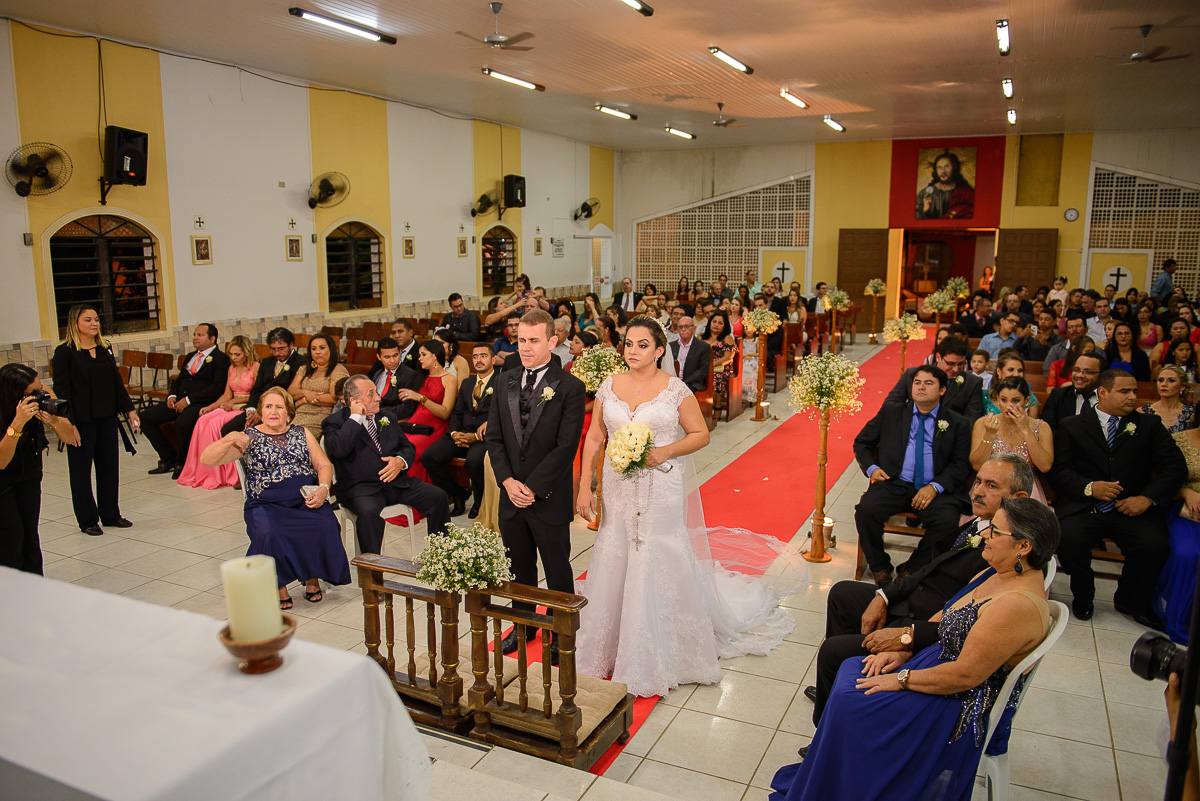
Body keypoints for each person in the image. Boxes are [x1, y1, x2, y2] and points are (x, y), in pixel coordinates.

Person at [774, 498, 1056, 801]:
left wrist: (900, 679)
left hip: (957, 704)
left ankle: (844, 788)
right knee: (850, 670)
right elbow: (947, 613)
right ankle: (834, 781)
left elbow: (966, 675)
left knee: (850, 698)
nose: (985, 535)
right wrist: (904, 651)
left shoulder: (1018, 604)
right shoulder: (997, 572)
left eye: (996, 532)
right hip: (936, 666)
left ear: (1023, 546)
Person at [575, 315, 793, 696]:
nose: (633, 351)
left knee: (652, 555)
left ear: (660, 350)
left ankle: (652, 652)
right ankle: (606, 647)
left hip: (660, 486)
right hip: (618, 487)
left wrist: (664, 451)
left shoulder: (675, 390)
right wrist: (585, 486)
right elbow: (595, 437)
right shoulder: (609, 386)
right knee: (614, 552)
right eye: (628, 344)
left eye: (643, 345)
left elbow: (700, 434)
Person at [804, 455, 1033, 727]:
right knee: (842, 594)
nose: (978, 491)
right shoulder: (981, 524)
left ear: (1017, 497)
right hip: (916, 602)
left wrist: (906, 640)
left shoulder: (1003, 550)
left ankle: (828, 729)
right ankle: (836, 691)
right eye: (978, 482)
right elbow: (929, 570)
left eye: (991, 486)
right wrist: (884, 595)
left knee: (832, 651)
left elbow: (963, 621)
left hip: (925, 624)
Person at [485, 310, 586, 664]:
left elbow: (565, 447)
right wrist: (508, 482)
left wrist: (532, 486)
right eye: (520, 340)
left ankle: (562, 632)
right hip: (512, 494)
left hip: (548, 496)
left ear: (552, 342)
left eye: (533, 341)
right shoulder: (504, 380)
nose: (524, 348)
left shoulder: (571, 387)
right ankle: (525, 625)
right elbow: (495, 439)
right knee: (518, 566)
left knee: (557, 566)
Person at [1050, 369, 1187, 624]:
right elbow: (1059, 471)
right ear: (1103, 392)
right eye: (1125, 391)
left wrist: (1146, 499)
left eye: (1134, 391)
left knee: (1154, 545)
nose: (1132, 397)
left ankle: (1129, 600)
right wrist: (1090, 487)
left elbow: (1175, 468)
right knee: (1068, 539)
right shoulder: (1072, 426)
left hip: (1132, 507)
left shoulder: (1149, 425)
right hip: (1086, 506)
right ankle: (1083, 595)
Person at [201, 387, 349, 609]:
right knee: (271, 532)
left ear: (288, 412)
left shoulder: (302, 433)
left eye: (279, 407)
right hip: (265, 503)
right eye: (268, 406)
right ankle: (278, 585)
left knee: (325, 523)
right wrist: (230, 437)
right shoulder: (249, 437)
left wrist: (323, 488)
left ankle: (312, 578)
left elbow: (323, 464)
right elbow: (207, 459)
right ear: (261, 411)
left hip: (303, 498)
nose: (273, 411)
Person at [854, 366, 973, 583]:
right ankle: (879, 566)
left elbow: (961, 464)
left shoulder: (958, 423)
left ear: (942, 390)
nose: (921, 387)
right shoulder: (892, 412)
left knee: (947, 521)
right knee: (866, 510)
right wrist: (872, 468)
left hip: (935, 488)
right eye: (917, 382)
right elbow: (862, 442)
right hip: (895, 482)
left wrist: (935, 486)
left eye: (929, 383)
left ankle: (912, 568)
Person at [322, 375, 450, 554]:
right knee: (368, 515)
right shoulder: (334, 422)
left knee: (438, 497)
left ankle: (442, 555)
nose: (378, 397)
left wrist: (400, 461)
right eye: (371, 394)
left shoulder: (387, 417)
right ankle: (372, 573)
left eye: (376, 392)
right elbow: (339, 449)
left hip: (396, 483)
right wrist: (356, 417)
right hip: (361, 488)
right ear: (354, 401)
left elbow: (407, 447)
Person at [51, 304, 138, 535]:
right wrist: (69, 424)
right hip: (80, 420)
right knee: (80, 471)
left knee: (109, 467)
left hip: (107, 417)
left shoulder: (104, 348)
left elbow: (116, 384)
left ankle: (110, 515)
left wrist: (129, 410)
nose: (94, 324)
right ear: (75, 323)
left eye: (96, 319)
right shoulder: (65, 352)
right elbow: (62, 391)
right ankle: (88, 520)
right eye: (88, 320)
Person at [0, 364, 74, 574]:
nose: (40, 394)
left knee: (30, 534)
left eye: (40, 388)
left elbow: (70, 437)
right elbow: (1, 462)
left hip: (29, 473)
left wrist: (54, 420)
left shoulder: (41, 395)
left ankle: (34, 588)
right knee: (11, 535)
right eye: (32, 393)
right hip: (2, 479)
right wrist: (17, 423)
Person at [142, 323, 231, 480]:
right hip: (179, 401)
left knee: (182, 423)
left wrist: (189, 400)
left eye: (200, 335)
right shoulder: (191, 356)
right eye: (195, 334)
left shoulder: (221, 359)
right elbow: (179, 379)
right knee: (145, 417)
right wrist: (172, 396)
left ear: (212, 339)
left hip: (200, 402)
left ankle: (181, 463)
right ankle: (168, 457)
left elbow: (217, 388)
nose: (195, 338)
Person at [421, 343, 495, 519]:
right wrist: (454, 432)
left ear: (493, 359)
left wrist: (476, 436)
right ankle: (457, 493)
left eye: (483, 356)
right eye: (475, 356)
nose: (478, 360)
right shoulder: (468, 383)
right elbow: (457, 411)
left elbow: (500, 415)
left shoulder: (501, 382)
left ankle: (479, 502)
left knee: (473, 461)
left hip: (483, 436)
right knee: (429, 456)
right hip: (461, 433)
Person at [177, 336, 259, 490]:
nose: (233, 358)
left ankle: (230, 473)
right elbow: (227, 395)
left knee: (215, 423)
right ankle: (206, 470)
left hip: (244, 407)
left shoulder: (256, 367)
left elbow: (257, 394)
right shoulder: (232, 368)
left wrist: (234, 402)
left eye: (237, 354)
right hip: (230, 404)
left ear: (247, 353)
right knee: (203, 420)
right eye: (231, 354)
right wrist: (211, 407)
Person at [1154, 416, 1200, 643]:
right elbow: (1162, 479)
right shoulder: (1179, 441)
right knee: (1187, 554)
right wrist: (1186, 493)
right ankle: (1179, 618)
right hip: (1183, 510)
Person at [972, 377, 1053, 498]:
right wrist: (989, 434)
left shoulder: (1042, 427)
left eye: (1015, 401)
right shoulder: (984, 423)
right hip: (989, 488)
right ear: (998, 399)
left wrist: (1026, 431)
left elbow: (1045, 466)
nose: (1009, 406)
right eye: (1004, 400)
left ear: (1027, 401)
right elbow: (977, 466)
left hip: (1025, 490)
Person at [220, 327, 306, 436]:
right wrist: (251, 410)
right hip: (259, 407)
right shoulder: (267, 362)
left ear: (291, 345)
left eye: (281, 348)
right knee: (229, 430)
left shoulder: (301, 363)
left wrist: (262, 413)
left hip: (281, 410)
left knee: (255, 434)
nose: (277, 353)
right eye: (273, 349)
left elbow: (290, 394)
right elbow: (257, 389)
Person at [396, 339, 457, 484]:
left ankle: (419, 493)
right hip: (414, 423)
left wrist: (421, 398)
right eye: (419, 355)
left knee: (411, 448)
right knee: (395, 444)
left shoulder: (450, 379)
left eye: (423, 354)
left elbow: (445, 412)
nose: (420, 359)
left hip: (434, 427)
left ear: (435, 355)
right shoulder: (421, 377)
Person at [885, 336, 984, 423]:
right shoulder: (913, 375)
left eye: (961, 364)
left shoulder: (972, 383)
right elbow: (891, 404)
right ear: (938, 357)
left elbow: (971, 420)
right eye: (950, 363)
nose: (956, 369)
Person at [288, 332, 348, 439]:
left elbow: (334, 398)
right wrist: (306, 393)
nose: (317, 352)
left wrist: (303, 400)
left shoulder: (338, 370)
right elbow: (291, 391)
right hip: (299, 415)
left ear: (331, 349)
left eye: (322, 348)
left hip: (322, 417)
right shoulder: (304, 369)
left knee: (297, 440)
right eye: (314, 349)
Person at [1040, 350, 1105, 428]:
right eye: (1076, 370)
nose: (1079, 375)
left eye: (1087, 372)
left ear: (1101, 375)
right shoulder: (1058, 395)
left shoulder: (1108, 398)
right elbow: (1046, 428)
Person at [367, 336, 419, 419]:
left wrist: (379, 412)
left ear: (400, 352)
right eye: (387, 357)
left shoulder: (409, 375)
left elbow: (407, 408)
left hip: (393, 420)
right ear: (379, 357)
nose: (392, 360)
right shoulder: (378, 374)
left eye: (395, 355)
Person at [984, 352, 1041, 417]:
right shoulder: (986, 396)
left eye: (1020, 371)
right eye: (1011, 370)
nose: (1016, 374)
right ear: (999, 371)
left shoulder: (1031, 399)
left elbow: (1034, 426)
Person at [1142, 365, 1195, 434]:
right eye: (1160, 380)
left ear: (1182, 386)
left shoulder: (1192, 414)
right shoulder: (1143, 412)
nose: (1164, 384)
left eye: (1171, 380)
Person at [669, 316, 712, 394]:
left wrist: (683, 382)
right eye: (681, 327)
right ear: (678, 329)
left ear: (694, 328)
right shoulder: (671, 346)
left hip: (692, 383)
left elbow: (702, 371)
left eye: (687, 326)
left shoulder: (703, 347)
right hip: (672, 382)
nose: (683, 329)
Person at [703, 310, 737, 408]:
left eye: (720, 323)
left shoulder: (727, 338)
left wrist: (710, 366)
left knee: (715, 378)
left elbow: (728, 357)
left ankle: (717, 406)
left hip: (721, 367)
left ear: (724, 326)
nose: (716, 325)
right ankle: (701, 405)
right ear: (710, 323)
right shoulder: (702, 336)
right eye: (714, 322)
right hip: (704, 365)